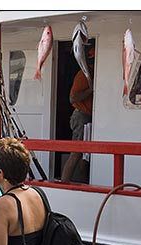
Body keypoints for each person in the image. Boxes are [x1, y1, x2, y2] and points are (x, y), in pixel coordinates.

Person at [61, 46, 94, 183]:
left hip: (86, 117)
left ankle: (85, 181)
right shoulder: (84, 74)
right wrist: (91, 90)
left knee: (85, 154)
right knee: (76, 152)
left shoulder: (90, 73)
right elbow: (73, 98)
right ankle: (64, 182)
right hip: (81, 116)